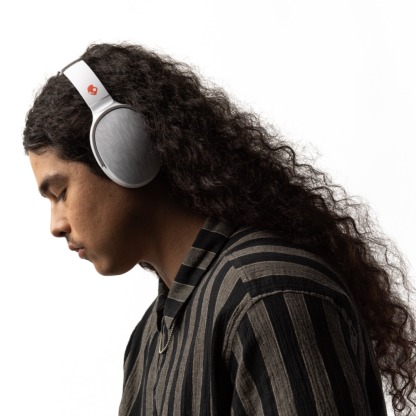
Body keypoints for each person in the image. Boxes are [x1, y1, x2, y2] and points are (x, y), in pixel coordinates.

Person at [23, 42, 416, 416]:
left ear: (125, 150)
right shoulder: (147, 341)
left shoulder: (269, 298)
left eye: (60, 193)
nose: (56, 226)